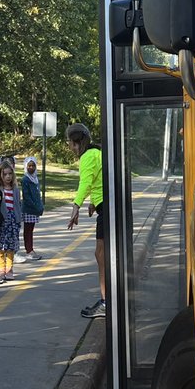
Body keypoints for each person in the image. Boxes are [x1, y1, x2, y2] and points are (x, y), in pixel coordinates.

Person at [66, 123, 106, 318]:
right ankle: (108, 299)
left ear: (75, 143)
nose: (70, 147)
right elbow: (100, 180)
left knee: (101, 254)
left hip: (105, 209)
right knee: (104, 254)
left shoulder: (87, 156)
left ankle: (106, 302)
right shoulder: (97, 152)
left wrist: (76, 206)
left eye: (69, 143)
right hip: (105, 205)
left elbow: (86, 182)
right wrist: (93, 202)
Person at [0, 161, 22, 281]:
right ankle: (1, 269)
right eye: (5, 174)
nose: (8, 177)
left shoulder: (15, 189)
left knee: (11, 247)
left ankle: (9, 269)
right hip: (3, 221)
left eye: (10, 174)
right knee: (1, 246)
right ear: (0, 175)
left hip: (13, 221)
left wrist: (18, 219)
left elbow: (18, 205)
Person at [20, 156, 44, 262]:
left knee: (31, 230)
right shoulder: (25, 179)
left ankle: (30, 249)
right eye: (29, 166)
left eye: (33, 166)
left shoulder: (35, 178)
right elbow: (26, 196)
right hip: (29, 209)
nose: (31, 168)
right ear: (25, 166)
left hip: (35, 209)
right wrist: (34, 205)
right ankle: (29, 250)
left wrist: (40, 205)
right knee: (28, 230)